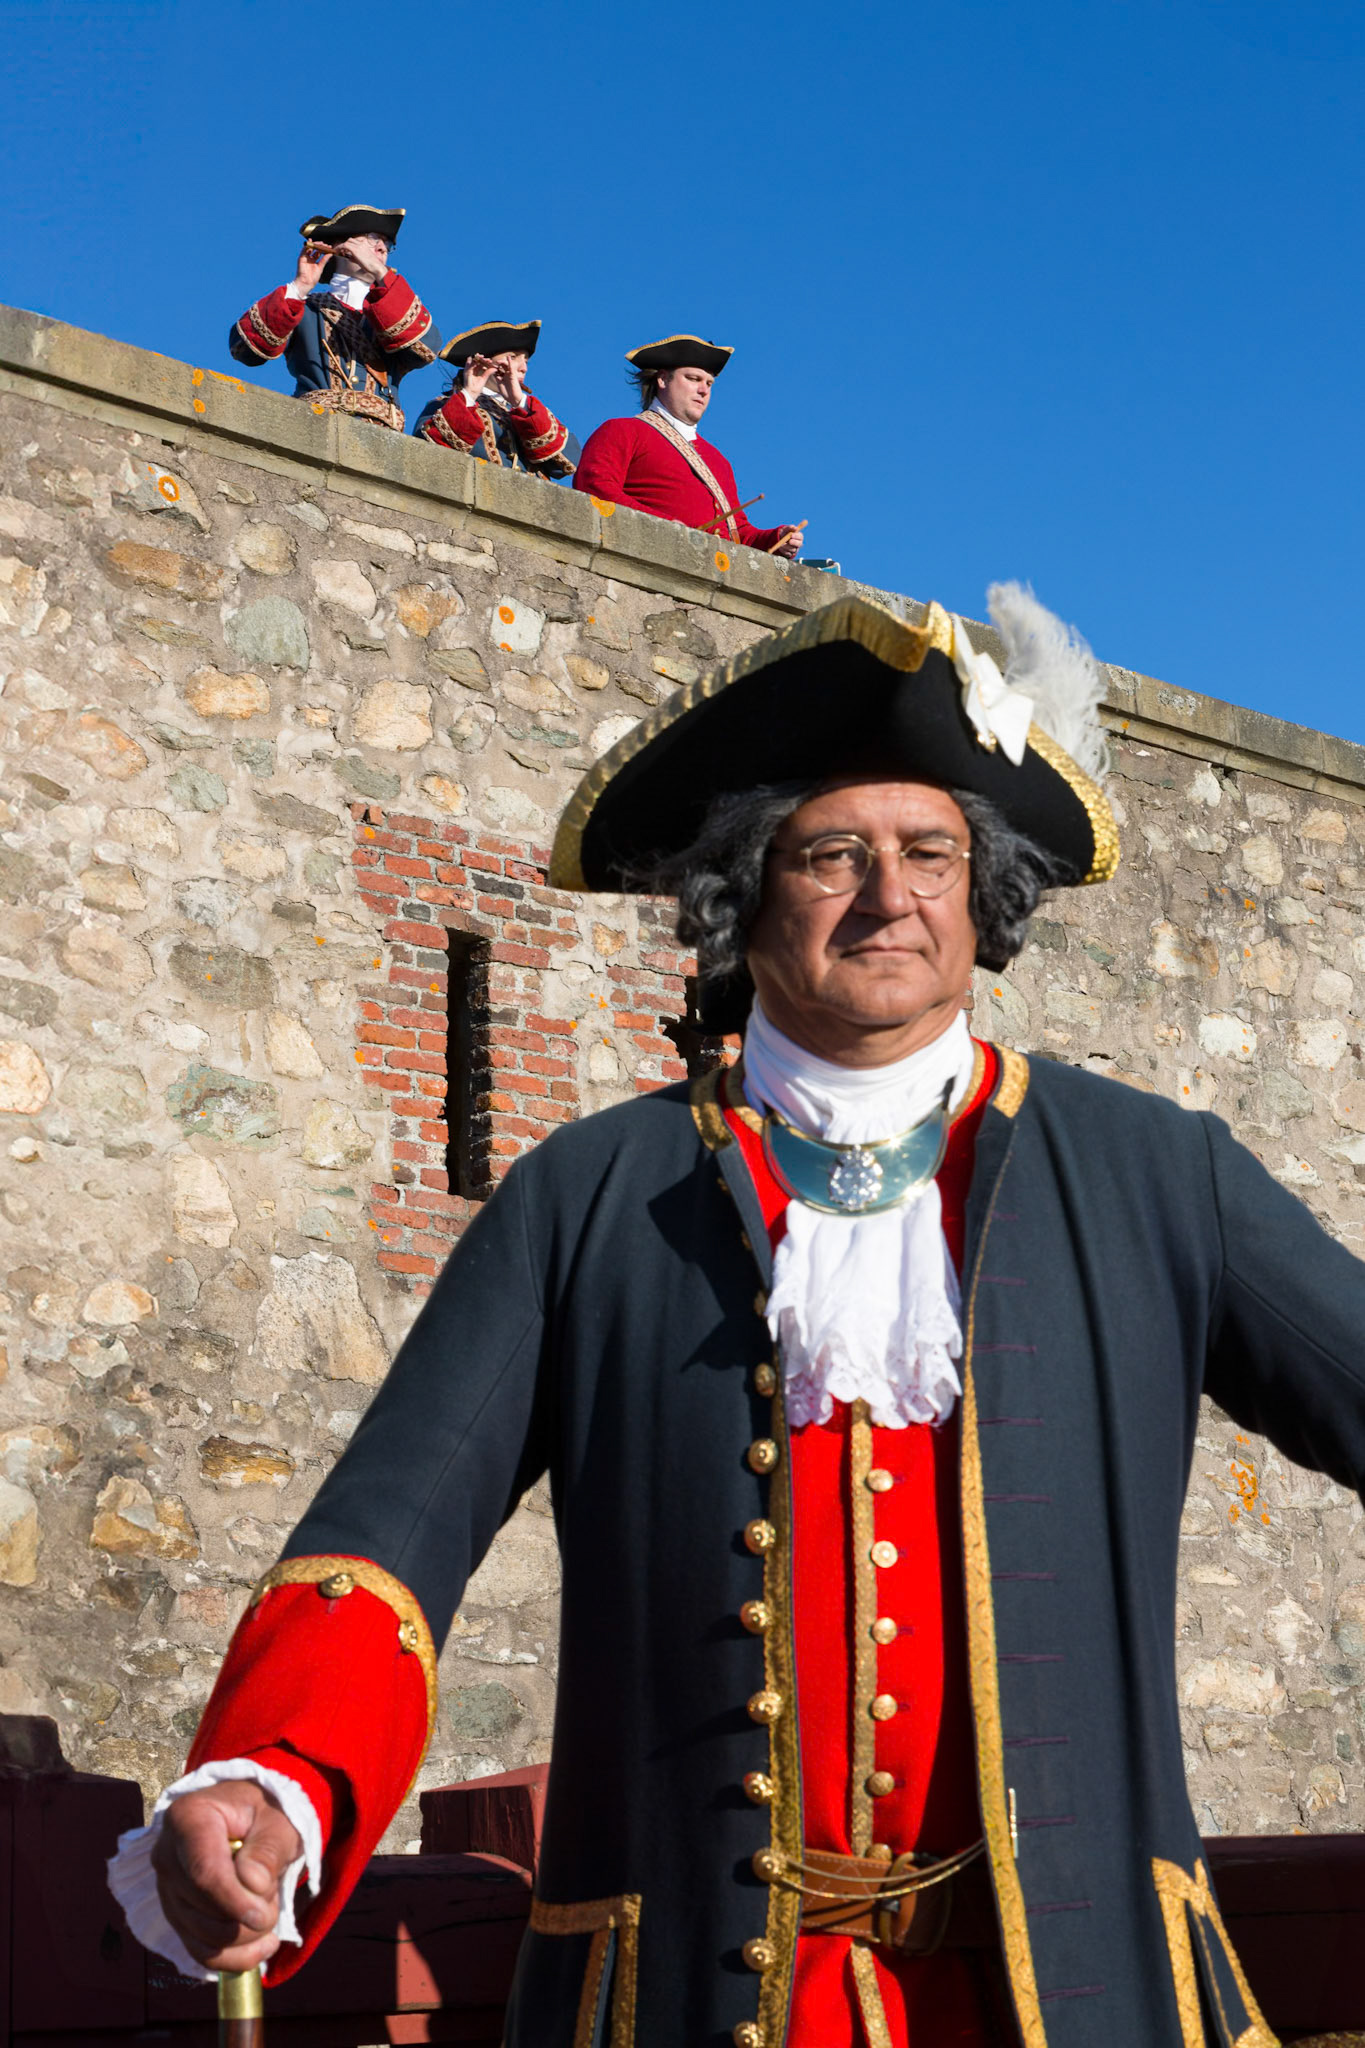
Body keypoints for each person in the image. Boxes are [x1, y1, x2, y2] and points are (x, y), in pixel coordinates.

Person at [108, 582, 1341, 2048]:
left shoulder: (1156, 1174)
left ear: (985, 888)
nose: (891, 897)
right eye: (833, 854)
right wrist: (276, 1774)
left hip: (1077, 1998)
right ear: (744, 892)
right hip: (683, 1998)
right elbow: (392, 1531)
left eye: (931, 852)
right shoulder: (590, 1193)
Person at [574, 335, 804, 556]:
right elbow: (594, 489)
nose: (704, 390)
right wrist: (664, 526)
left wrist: (776, 538)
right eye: (693, 379)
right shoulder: (622, 430)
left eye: (709, 383)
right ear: (663, 379)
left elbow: (739, 533)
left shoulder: (718, 460)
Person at [230, 205, 440, 431]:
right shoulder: (303, 307)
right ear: (341, 246)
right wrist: (299, 287)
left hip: (383, 441)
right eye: (372, 238)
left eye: (387, 244)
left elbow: (426, 350)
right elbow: (245, 350)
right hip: (315, 431)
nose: (382, 248)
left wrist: (381, 274)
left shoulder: (391, 322)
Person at [412, 320, 579, 479]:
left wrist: (520, 402)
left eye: (526, 361)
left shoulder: (528, 412)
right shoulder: (443, 405)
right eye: (513, 357)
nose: (523, 368)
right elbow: (424, 455)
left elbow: (570, 461)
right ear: (481, 360)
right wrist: (469, 394)